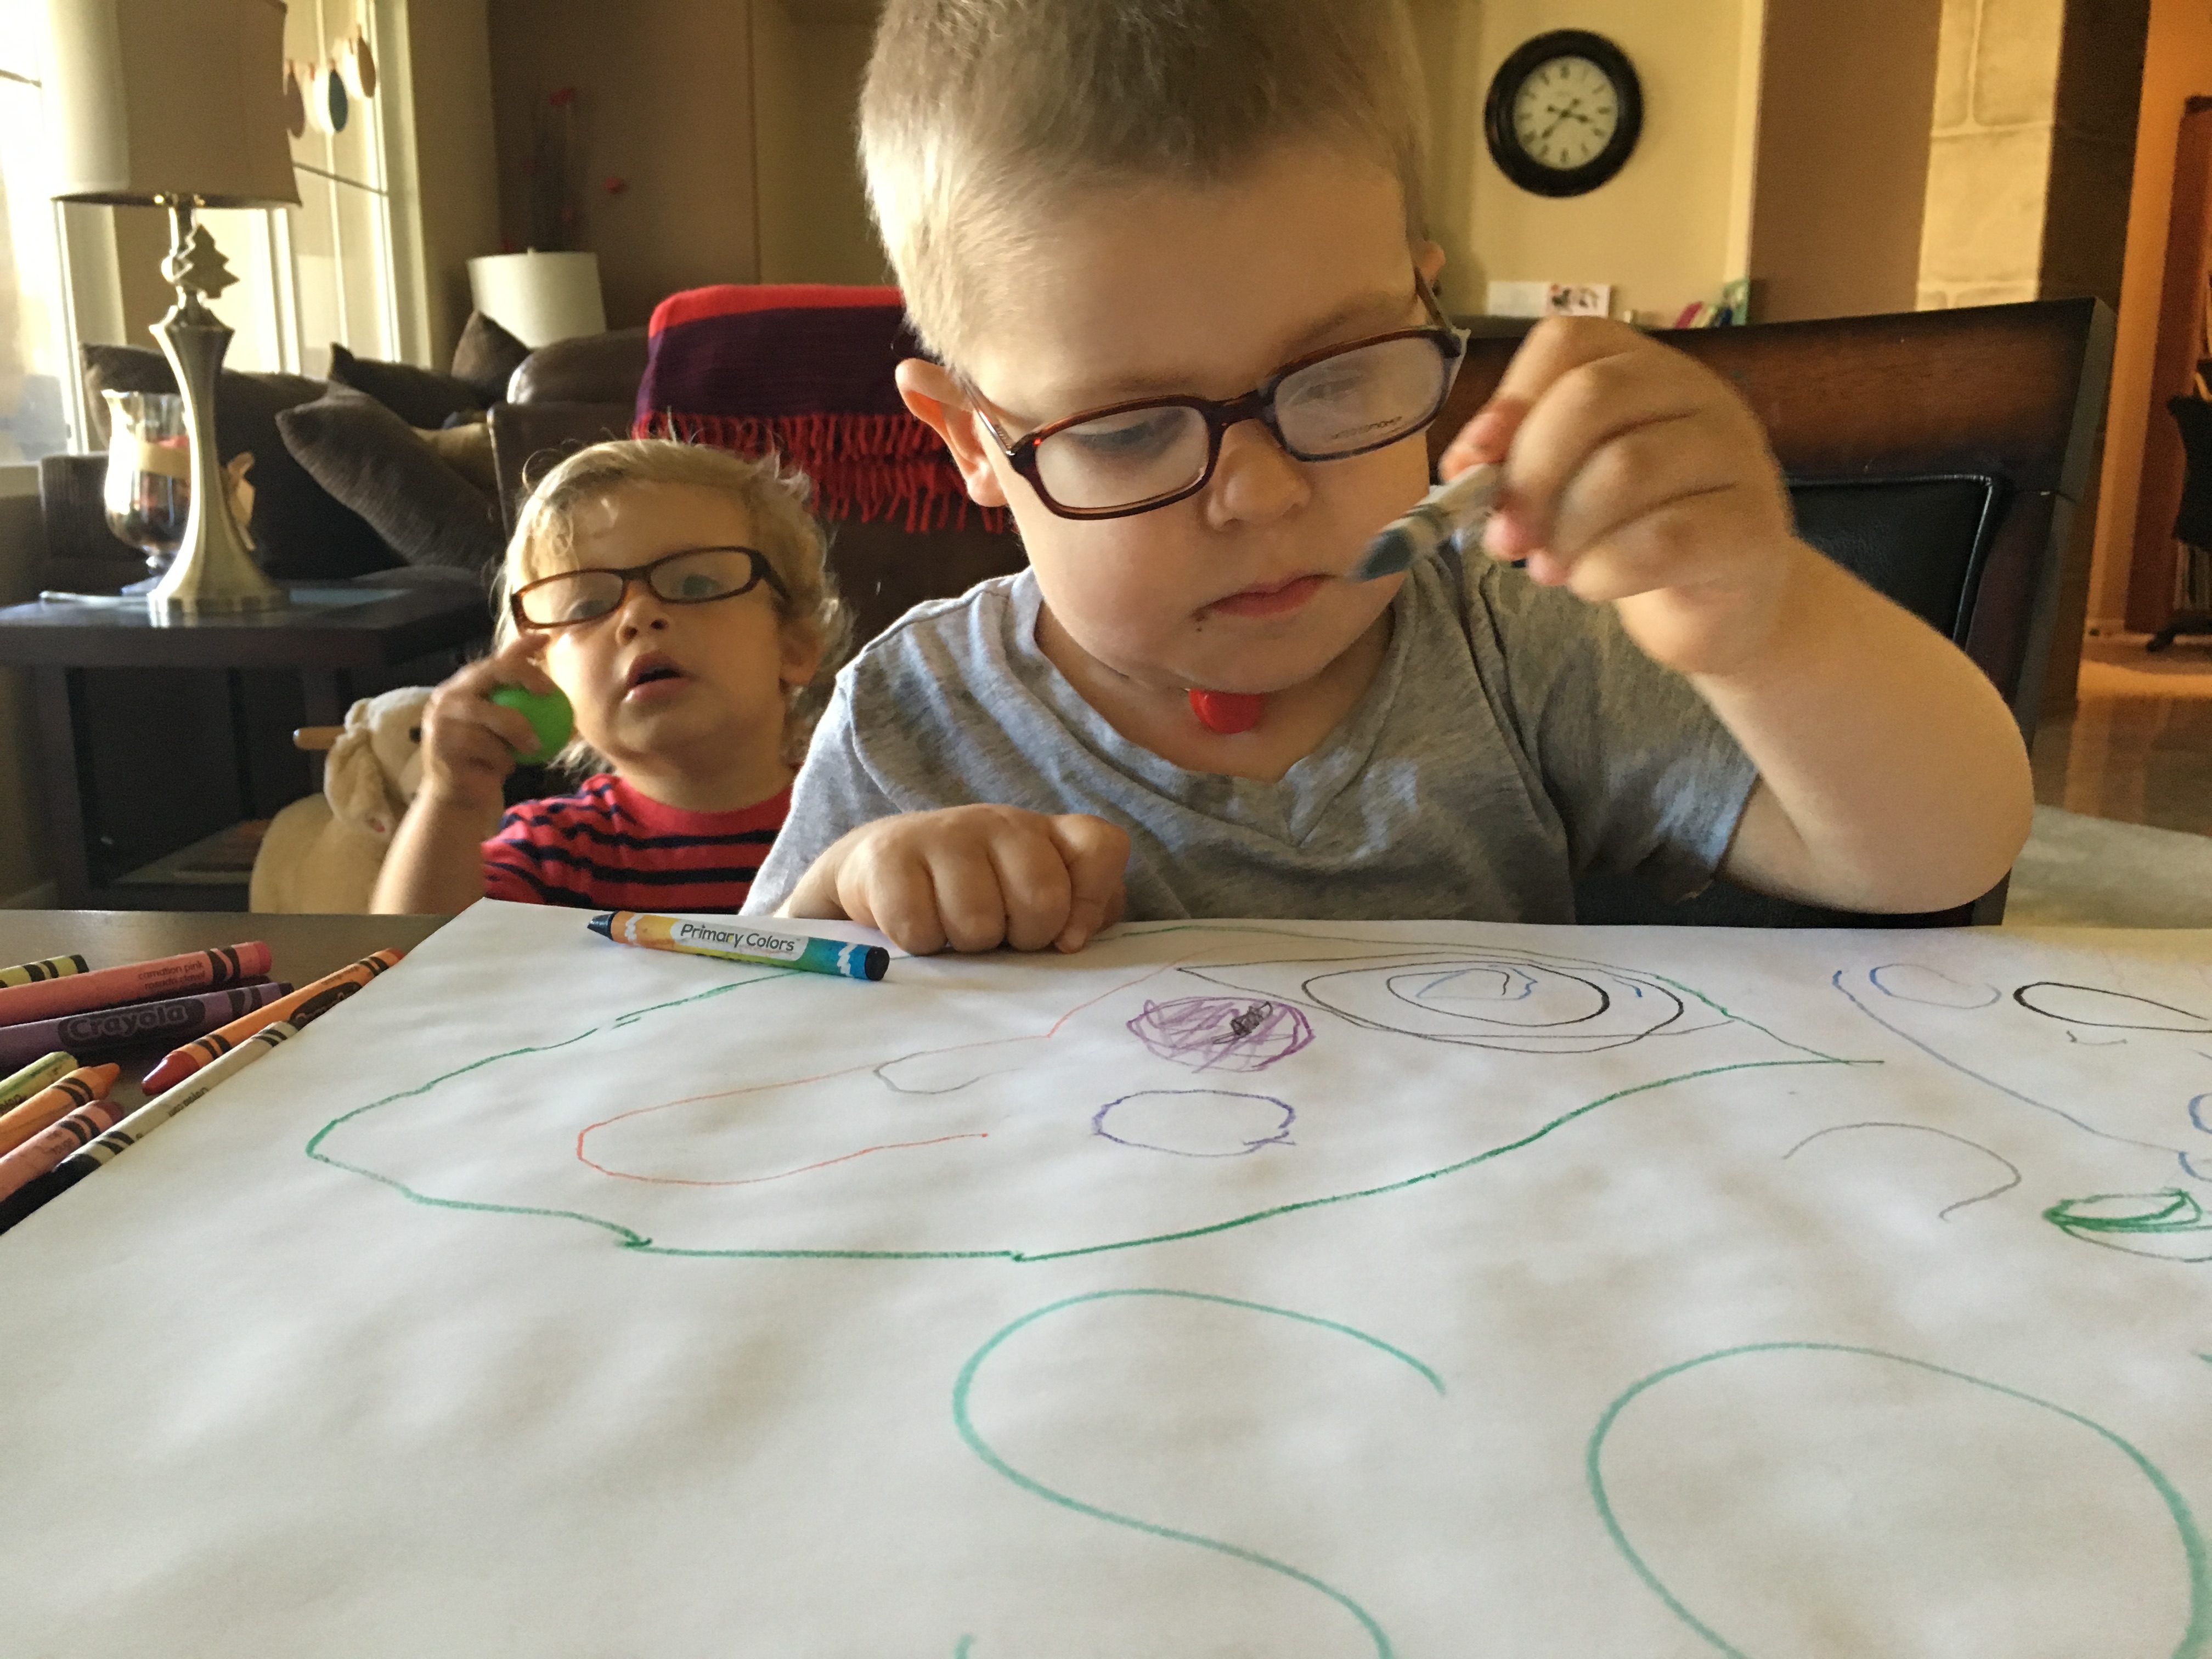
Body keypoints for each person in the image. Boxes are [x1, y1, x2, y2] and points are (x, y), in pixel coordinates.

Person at [743, 0, 2033, 955]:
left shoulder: (1519, 634)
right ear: (971, 439)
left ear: (1422, 304)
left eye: (1339, 375)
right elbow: (737, 1016)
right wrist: (848, 893)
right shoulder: (910, 722)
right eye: (1131, 430)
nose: (1261, 496)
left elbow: (1938, 855)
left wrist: (1765, 620)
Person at [373, 441, 849, 915]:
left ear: (793, 647)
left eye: (696, 584)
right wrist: (451, 802)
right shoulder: (552, 853)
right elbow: (409, 956)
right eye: (589, 605)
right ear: (543, 680)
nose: (638, 615)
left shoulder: (857, 820)